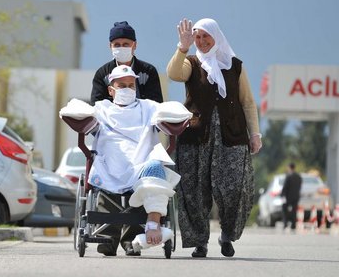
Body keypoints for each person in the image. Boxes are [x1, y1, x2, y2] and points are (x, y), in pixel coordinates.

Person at [60, 65, 191, 256]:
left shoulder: (148, 107)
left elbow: (171, 110)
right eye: (121, 85)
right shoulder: (101, 108)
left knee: (156, 166)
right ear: (110, 90)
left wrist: (179, 116)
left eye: (131, 85)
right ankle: (107, 238)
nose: (127, 89)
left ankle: (149, 227)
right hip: (109, 162)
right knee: (105, 183)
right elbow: (76, 110)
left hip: (142, 163)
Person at [166, 18, 262, 258]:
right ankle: (200, 241)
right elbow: (174, 74)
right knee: (195, 191)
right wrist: (182, 47)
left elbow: (248, 102)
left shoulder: (235, 65)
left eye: (205, 36)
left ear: (216, 37)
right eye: (197, 37)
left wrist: (255, 134)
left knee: (234, 189)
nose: (201, 41)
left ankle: (227, 235)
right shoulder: (191, 63)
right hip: (196, 138)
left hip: (232, 137)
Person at [90, 21, 163, 105]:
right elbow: (96, 106)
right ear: (110, 46)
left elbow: (156, 105)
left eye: (126, 44)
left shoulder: (148, 72)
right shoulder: (103, 74)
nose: (121, 47)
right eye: (117, 45)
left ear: (134, 45)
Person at [281, 163, 302, 230]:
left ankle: (285, 224)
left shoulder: (288, 176)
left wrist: (282, 195)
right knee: (294, 211)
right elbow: (299, 186)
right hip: (296, 197)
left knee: (285, 210)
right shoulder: (298, 177)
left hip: (288, 197)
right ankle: (293, 225)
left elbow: (285, 187)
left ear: (289, 167)